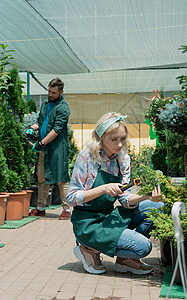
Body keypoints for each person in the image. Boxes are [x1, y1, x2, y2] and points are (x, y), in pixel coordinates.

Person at [66, 112, 165, 275]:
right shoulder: (87, 157)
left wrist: (146, 195)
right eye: (114, 139)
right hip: (87, 223)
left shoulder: (123, 159)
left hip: (107, 218)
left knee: (157, 206)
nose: (119, 144)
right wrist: (103, 188)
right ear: (101, 137)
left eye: (123, 139)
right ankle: (88, 248)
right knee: (144, 247)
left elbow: (125, 200)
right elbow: (71, 198)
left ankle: (125, 260)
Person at [26, 78, 71, 220]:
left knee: (61, 178)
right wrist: (32, 129)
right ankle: (40, 208)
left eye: (53, 92)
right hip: (44, 147)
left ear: (61, 92)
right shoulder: (46, 104)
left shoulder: (63, 108)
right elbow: (40, 121)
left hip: (57, 149)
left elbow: (57, 129)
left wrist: (42, 143)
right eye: (49, 91)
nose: (50, 95)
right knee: (41, 177)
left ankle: (67, 209)